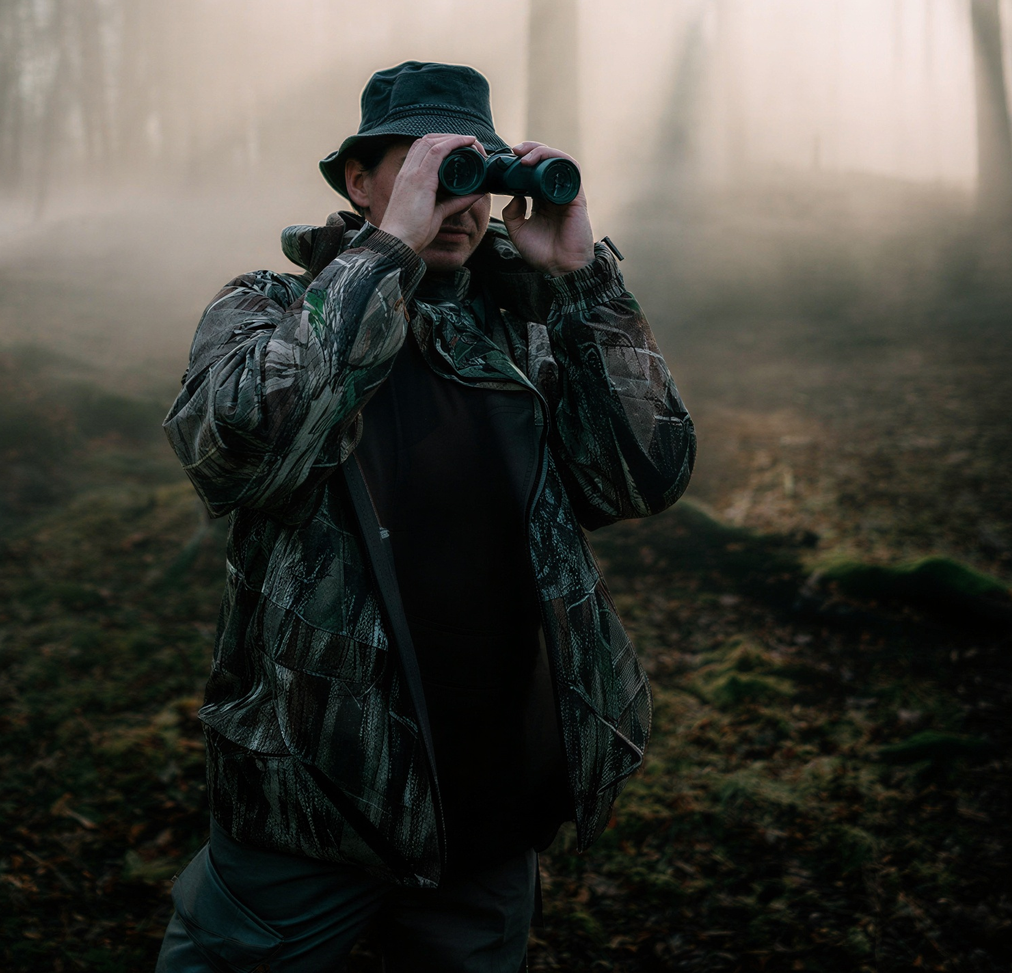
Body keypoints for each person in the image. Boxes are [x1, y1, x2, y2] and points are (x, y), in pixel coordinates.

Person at [157, 61, 696, 972]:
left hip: (492, 795)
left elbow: (645, 477)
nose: (459, 200)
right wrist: (385, 257)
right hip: (315, 799)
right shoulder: (270, 307)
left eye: (474, 174)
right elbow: (241, 449)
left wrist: (582, 286)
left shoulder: (525, 328)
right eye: (426, 169)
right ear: (359, 183)